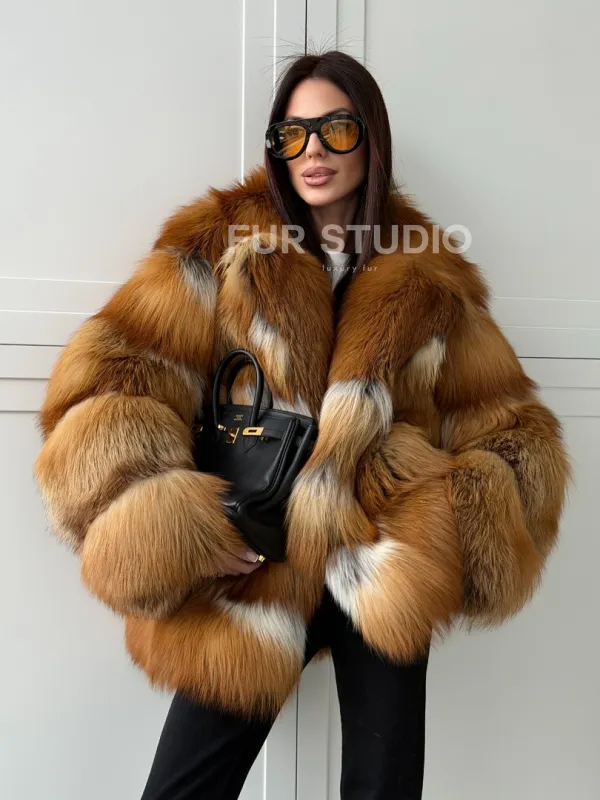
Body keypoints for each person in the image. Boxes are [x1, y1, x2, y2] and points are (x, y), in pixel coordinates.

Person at [33, 50, 571, 800]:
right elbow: (114, 382)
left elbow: (509, 425)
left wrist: (454, 518)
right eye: (293, 134)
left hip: (379, 557)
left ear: (371, 138)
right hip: (257, 558)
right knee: (184, 787)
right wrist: (180, 524)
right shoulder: (223, 242)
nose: (313, 150)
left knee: (383, 787)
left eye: (335, 129)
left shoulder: (428, 272)